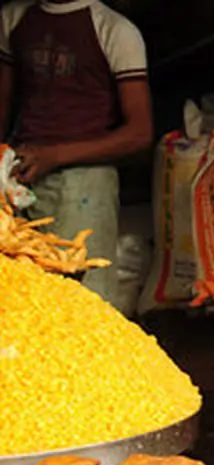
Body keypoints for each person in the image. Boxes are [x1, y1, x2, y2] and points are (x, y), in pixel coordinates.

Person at [0, 0, 153, 312]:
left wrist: (54, 155)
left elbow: (140, 133)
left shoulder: (114, 30)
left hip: (85, 184)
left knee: (83, 306)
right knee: (19, 301)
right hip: (19, 171)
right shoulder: (13, 18)